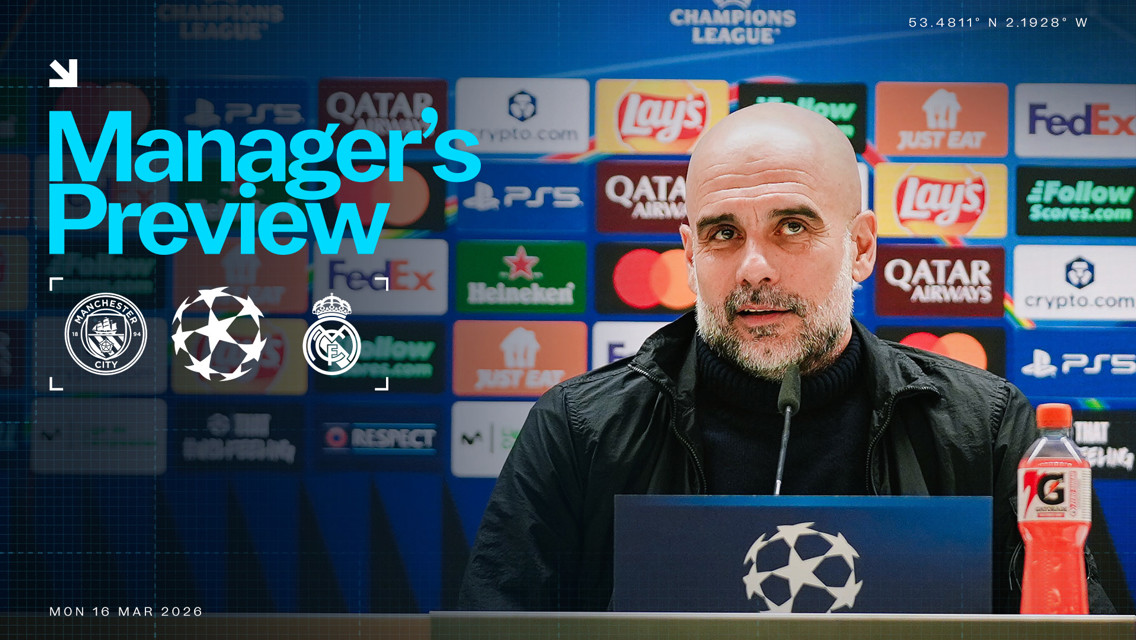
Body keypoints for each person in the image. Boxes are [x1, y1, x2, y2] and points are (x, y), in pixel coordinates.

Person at [458, 103, 1114, 613]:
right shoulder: (580, 430)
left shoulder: (988, 430)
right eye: (722, 234)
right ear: (688, 252)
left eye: (792, 228)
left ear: (860, 248)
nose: (754, 268)